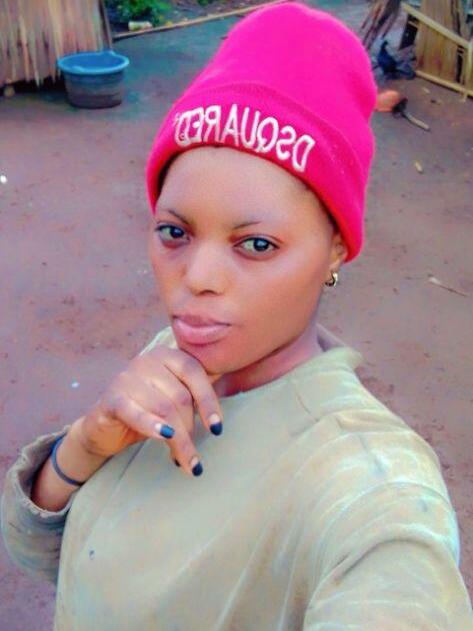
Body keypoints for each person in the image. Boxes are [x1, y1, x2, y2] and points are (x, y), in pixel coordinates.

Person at [1, 2, 472, 629]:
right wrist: (85, 444)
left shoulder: (367, 483)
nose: (197, 278)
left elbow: (399, 581)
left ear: (336, 247)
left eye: (256, 244)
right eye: (175, 232)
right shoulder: (170, 358)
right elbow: (43, 555)